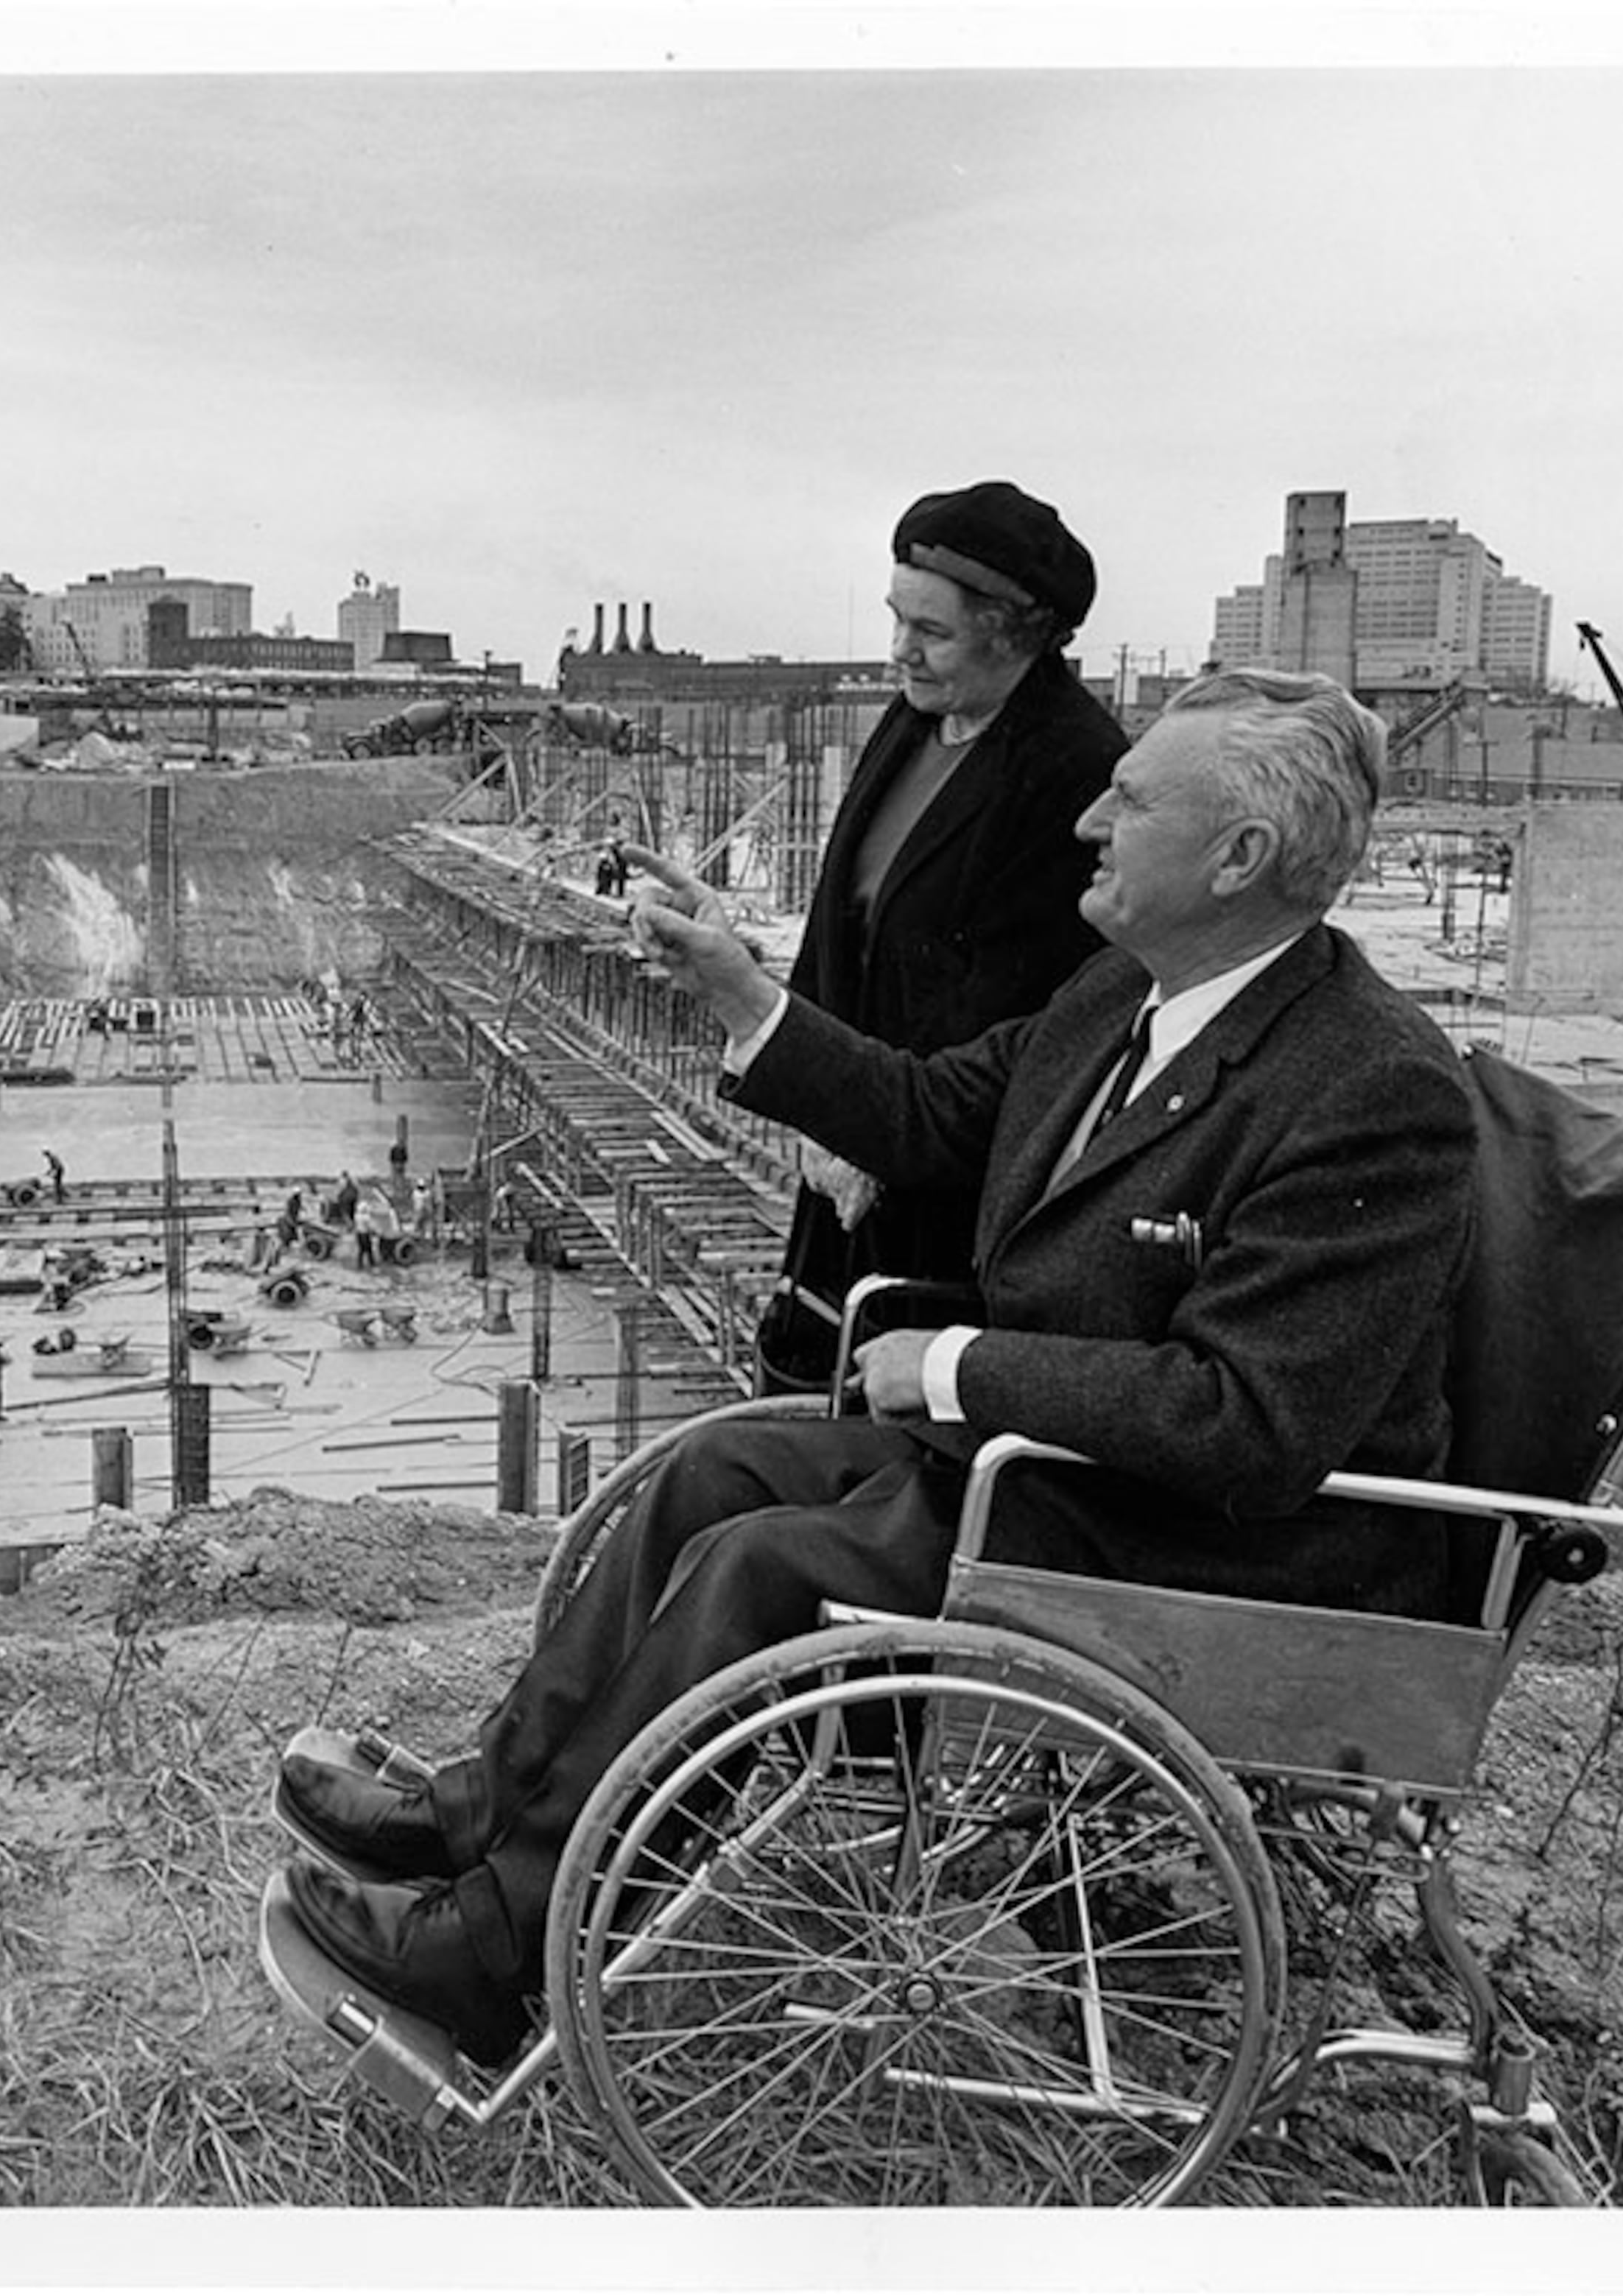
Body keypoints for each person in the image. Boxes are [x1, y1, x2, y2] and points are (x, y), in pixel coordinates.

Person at [266, 670, 1477, 2066]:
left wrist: (962, 1363)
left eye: (1131, 799)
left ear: (1241, 856)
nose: (1087, 815)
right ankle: (491, 1810)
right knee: (713, 1470)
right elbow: (931, 1107)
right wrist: (740, 991)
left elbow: (1249, 1420)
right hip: (1071, 1474)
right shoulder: (1126, 998)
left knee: (765, 1564)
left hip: (1223, 1542)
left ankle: (503, 1952)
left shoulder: (1371, 1086)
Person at [764, 479, 1127, 1390]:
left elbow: (1020, 1005)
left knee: (880, 1393)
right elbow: (843, 915)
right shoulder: (917, 718)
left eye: (930, 631)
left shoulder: (1070, 767)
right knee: (809, 1360)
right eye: (897, 619)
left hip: (938, 1176)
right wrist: (812, 1092)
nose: (901, 652)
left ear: (1013, 632)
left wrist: (873, 1129)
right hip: (849, 1133)